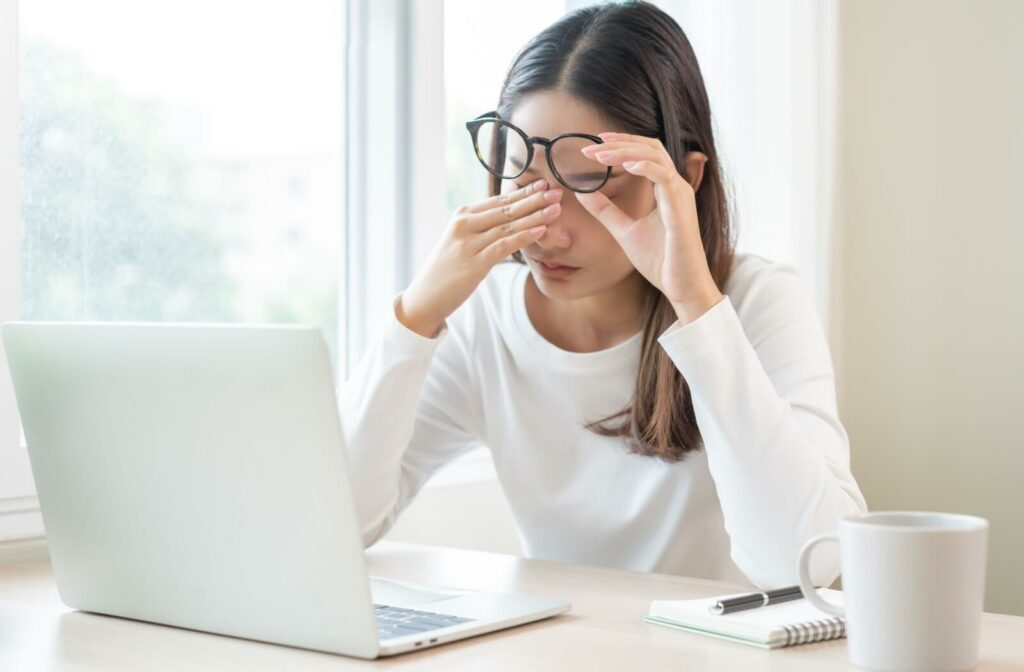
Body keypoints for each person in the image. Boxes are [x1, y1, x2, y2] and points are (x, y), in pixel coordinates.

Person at [339, 0, 867, 589]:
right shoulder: (484, 323)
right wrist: (416, 317)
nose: (549, 228)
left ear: (686, 178)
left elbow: (812, 564)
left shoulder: (755, 301)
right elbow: (338, 523)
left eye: (589, 180)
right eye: (522, 171)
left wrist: (696, 305)